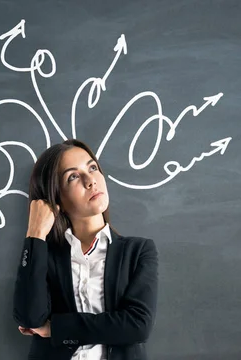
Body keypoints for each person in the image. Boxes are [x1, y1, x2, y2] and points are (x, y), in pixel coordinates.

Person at [13, 139, 159, 360]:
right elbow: (30, 318)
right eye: (73, 176)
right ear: (56, 196)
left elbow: (137, 326)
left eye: (92, 168)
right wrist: (35, 234)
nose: (90, 180)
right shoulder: (45, 256)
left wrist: (56, 329)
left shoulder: (138, 251)